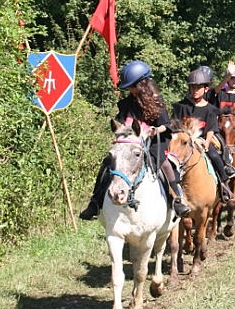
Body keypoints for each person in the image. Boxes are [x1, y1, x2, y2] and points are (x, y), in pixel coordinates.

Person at [80, 60, 190, 220]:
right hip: (131, 144)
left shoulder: (157, 101)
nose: (129, 90)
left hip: (154, 142)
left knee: (165, 165)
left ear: (142, 84)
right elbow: (122, 123)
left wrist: (154, 131)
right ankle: (95, 203)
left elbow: (167, 125)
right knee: (107, 164)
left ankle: (177, 199)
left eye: (131, 86)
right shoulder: (126, 104)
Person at [172, 66, 235, 202]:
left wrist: (207, 141)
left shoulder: (210, 109)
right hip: (183, 141)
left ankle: (224, 183)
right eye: (192, 87)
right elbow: (175, 125)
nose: (195, 91)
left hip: (201, 140)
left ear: (206, 89)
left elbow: (211, 128)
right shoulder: (181, 107)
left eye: (198, 88)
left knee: (214, 155)